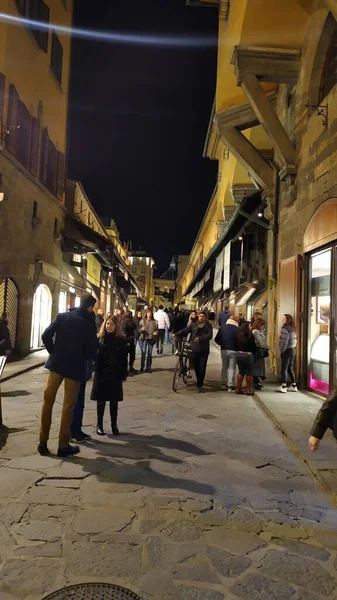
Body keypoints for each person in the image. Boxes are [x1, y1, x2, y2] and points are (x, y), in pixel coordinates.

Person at [39, 294, 97, 457]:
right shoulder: (88, 324)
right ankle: (63, 445)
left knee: (47, 401)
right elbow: (92, 350)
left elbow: (46, 336)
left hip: (57, 365)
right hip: (75, 368)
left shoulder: (62, 316)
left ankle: (42, 442)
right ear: (90, 307)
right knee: (68, 407)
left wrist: (54, 352)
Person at [91, 315, 128, 436]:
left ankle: (114, 425)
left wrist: (123, 374)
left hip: (115, 373)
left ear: (116, 326)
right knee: (101, 401)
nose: (109, 326)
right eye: (107, 324)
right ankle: (99, 424)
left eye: (111, 324)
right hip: (101, 372)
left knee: (113, 401)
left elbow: (124, 358)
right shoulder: (99, 338)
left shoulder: (121, 339)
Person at [175, 311, 213, 393]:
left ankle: (200, 384)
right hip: (194, 349)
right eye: (200, 316)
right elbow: (185, 330)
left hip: (204, 350)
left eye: (203, 316)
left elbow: (209, 335)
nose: (201, 318)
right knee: (196, 367)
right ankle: (199, 381)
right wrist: (176, 333)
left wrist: (200, 338)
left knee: (202, 367)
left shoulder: (208, 326)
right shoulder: (194, 324)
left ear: (205, 318)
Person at [215, 315, 239, 391]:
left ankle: (223, 383)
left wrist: (222, 344)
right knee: (232, 368)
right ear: (235, 321)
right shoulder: (237, 329)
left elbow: (216, 339)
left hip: (224, 350)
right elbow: (240, 340)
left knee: (224, 367)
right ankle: (230, 385)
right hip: (234, 350)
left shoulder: (222, 328)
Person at [236, 321, 256, 395]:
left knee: (241, 372)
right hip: (248, 355)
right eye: (250, 326)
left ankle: (238, 388)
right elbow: (253, 347)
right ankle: (248, 389)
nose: (251, 327)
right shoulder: (250, 335)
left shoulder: (238, 335)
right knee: (249, 373)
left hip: (239, 354)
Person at [279, 314, 297, 393]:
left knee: (284, 369)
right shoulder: (292, 328)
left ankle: (284, 386)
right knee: (290, 367)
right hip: (293, 349)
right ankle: (294, 385)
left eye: (283, 318)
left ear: (287, 320)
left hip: (287, 350)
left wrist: (282, 351)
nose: (282, 320)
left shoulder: (285, 329)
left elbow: (284, 342)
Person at [251, 317, 269, 390]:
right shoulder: (256, 332)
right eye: (262, 325)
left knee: (259, 366)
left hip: (259, 351)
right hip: (258, 351)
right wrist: (267, 347)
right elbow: (260, 342)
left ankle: (257, 380)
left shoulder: (258, 331)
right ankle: (256, 381)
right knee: (258, 366)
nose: (263, 326)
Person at [139, 308, 159, 373]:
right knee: (143, 353)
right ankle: (142, 367)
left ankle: (148, 367)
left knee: (149, 353)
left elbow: (157, 330)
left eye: (150, 313)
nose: (149, 314)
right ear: (146, 313)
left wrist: (156, 332)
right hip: (144, 338)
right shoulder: (142, 321)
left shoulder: (155, 322)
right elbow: (138, 330)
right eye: (148, 313)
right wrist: (141, 329)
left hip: (151, 338)